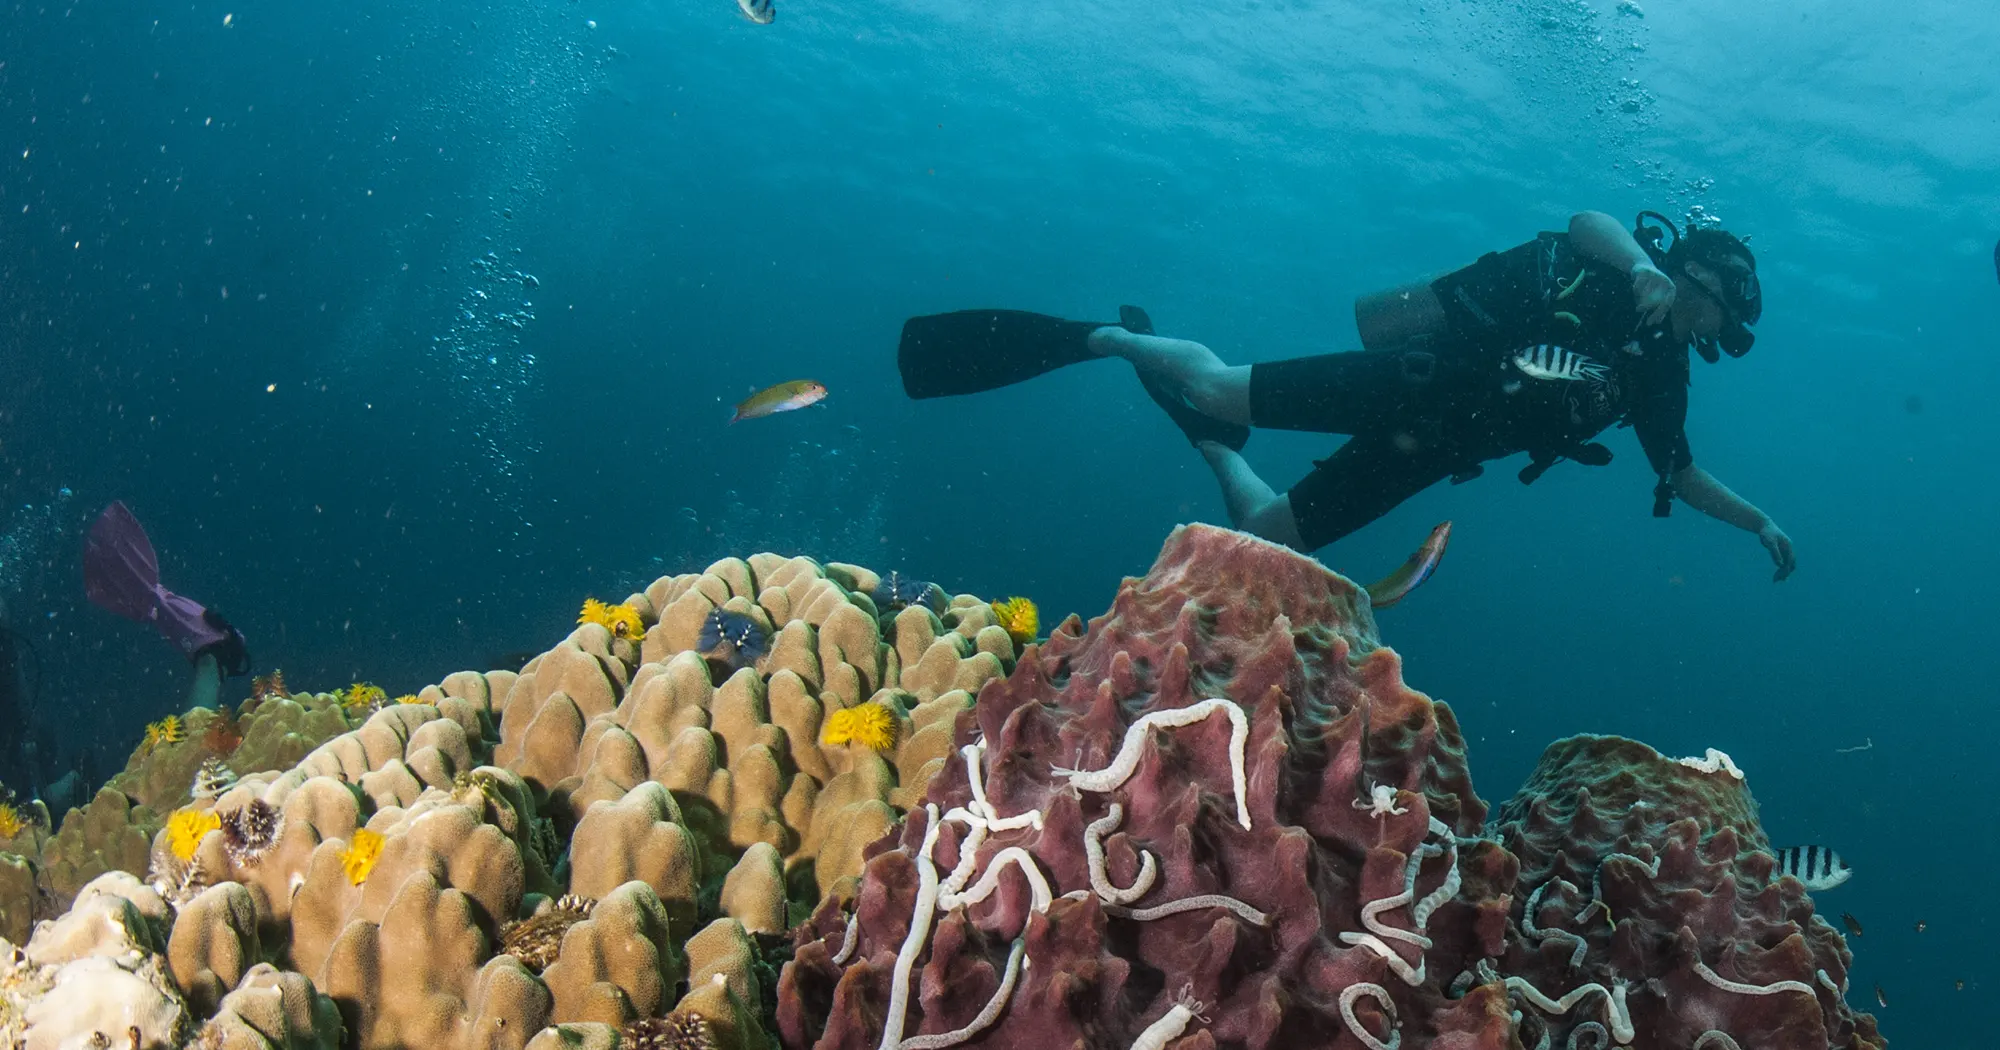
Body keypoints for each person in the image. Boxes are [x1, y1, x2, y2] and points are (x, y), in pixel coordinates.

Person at [898, 210, 1796, 581]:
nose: (1716, 337)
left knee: (1264, 540)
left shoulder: (1660, 375)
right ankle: (1102, 339)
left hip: (1435, 456)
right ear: (1696, 282)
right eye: (1720, 315)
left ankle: (1212, 445)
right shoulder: (1613, 276)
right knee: (1214, 380)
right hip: (1405, 380)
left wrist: (1756, 520)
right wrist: (1640, 267)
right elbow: (1583, 223)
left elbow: (1677, 472)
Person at [82, 501, 251, 710]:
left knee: (208, 675)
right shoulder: (168, 607)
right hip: (210, 643)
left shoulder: (205, 640)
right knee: (209, 673)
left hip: (212, 645)